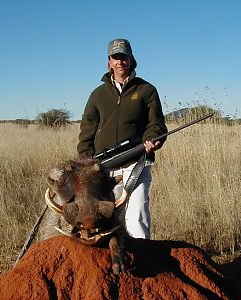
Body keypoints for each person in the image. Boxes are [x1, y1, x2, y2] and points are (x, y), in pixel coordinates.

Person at [77, 38, 167, 239]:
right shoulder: (97, 95)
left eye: (123, 57)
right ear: (109, 61)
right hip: (104, 168)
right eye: (115, 57)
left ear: (131, 59)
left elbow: (157, 124)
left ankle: (142, 262)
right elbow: (87, 130)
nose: (120, 62)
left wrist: (152, 140)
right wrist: (87, 160)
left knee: (136, 217)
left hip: (137, 163)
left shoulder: (146, 90)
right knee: (109, 217)